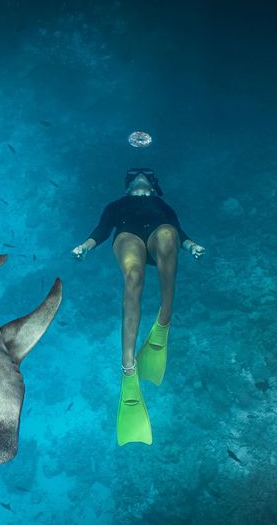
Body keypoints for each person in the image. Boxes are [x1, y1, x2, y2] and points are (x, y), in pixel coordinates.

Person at [71, 168, 205, 445]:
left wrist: (190, 245)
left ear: (155, 185)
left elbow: (179, 230)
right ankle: (128, 365)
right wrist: (85, 247)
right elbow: (102, 230)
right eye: (135, 175)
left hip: (160, 238)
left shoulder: (162, 204)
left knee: (169, 235)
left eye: (145, 174)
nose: (140, 176)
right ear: (127, 185)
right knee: (134, 276)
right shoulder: (116, 205)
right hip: (127, 239)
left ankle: (164, 320)